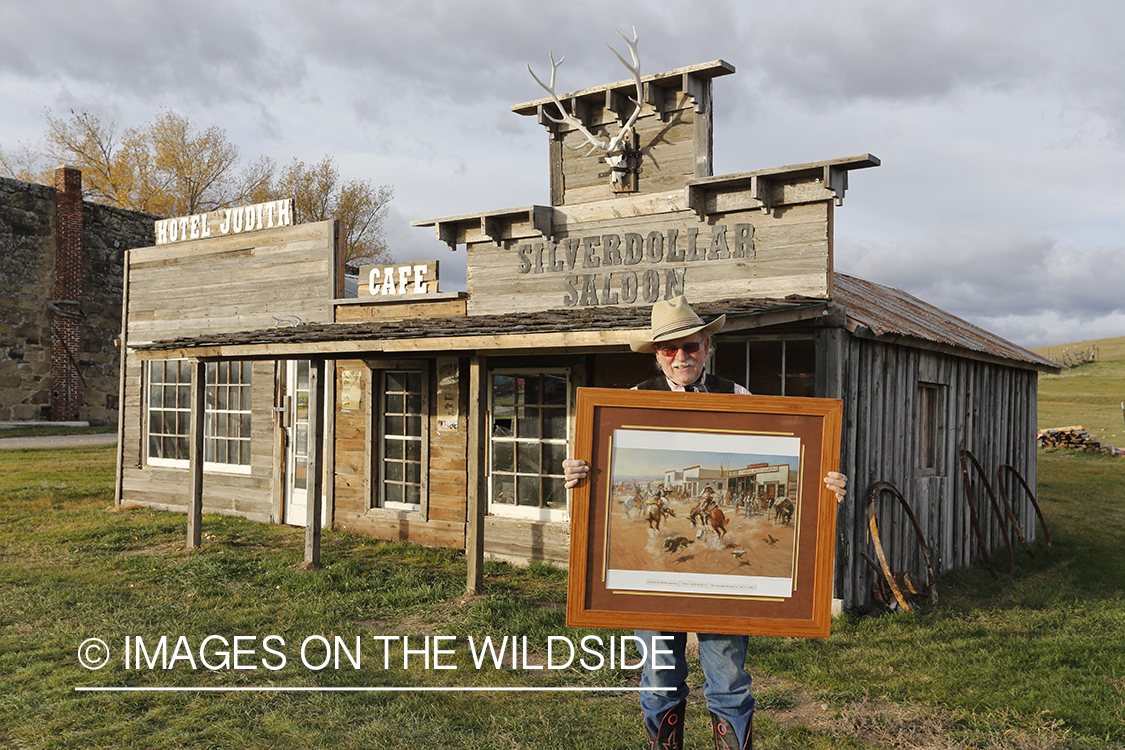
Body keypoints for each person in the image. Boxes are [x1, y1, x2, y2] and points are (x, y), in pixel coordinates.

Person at [562, 296, 847, 750]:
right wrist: (580, 474)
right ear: (656, 354)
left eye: (690, 346)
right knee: (658, 678)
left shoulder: (739, 399)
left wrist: (823, 484)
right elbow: (597, 470)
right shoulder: (629, 404)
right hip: (648, 585)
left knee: (730, 680)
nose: (681, 357)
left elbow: (794, 452)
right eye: (669, 349)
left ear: (707, 345)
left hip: (722, 589)